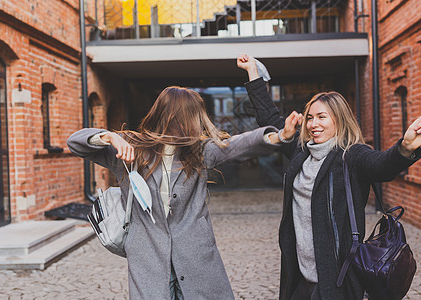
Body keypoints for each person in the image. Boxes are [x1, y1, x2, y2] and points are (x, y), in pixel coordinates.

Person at [237, 54, 421, 300]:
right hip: (299, 274)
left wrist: (404, 148)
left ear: (339, 120)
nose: (313, 124)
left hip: (337, 278)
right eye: (310, 117)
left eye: (322, 117)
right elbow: (269, 118)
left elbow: (382, 166)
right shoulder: (301, 150)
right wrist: (252, 73)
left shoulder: (351, 155)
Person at [67, 86, 281, 299]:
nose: (191, 124)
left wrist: (277, 137)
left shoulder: (200, 151)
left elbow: (236, 145)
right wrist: (109, 137)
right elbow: (75, 142)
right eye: (186, 117)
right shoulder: (132, 146)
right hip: (148, 256)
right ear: (168, 116)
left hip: (196, 255)